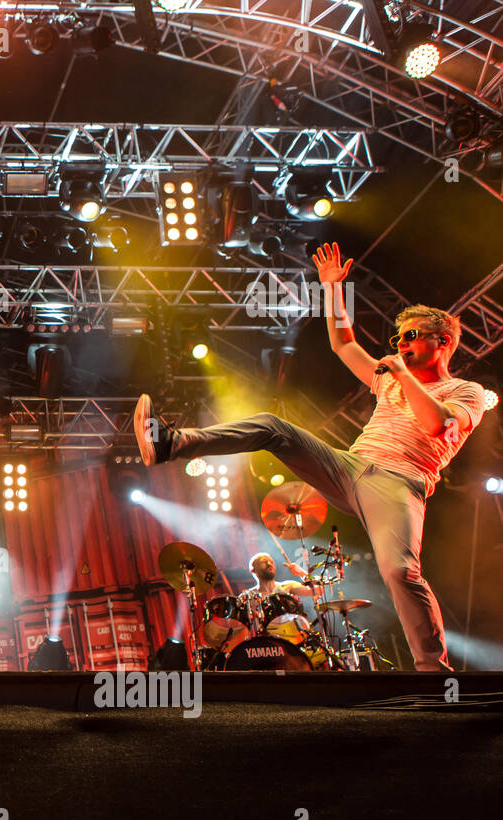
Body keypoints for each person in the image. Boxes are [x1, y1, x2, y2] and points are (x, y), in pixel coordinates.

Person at [134, 243, 487, 671]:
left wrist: (402, 372)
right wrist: (333, 289)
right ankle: (170, 443)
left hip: (397, 483)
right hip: (349, 466)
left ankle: (434, 672)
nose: (402, 344)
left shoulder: (464, 393)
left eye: (411, 336)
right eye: (399, 338)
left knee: (399, 572)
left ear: (443, 341)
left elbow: (436, 424)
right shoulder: (391, 380)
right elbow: (343, 343)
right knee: (272, 427)